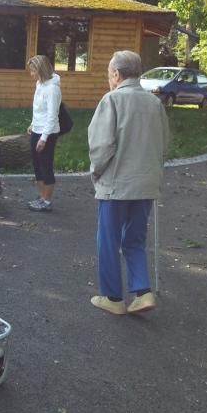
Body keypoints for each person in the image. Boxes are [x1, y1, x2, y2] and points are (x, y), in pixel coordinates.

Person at [87, 50, 170, 315]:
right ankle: (143, 292)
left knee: (108, 241)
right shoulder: (154, 103)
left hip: (116, 185)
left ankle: (113, 297)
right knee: (134, 239)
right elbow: (164, 144)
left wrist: (95, 173)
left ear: (116, 74)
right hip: (146, 183)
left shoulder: (112, 100)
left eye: (109, 74)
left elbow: (101, 147)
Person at [25, 55, 61, 212]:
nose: (31, 74)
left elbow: (52, 116)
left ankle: (47, 201)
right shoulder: (39, 84)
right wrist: (33, 124)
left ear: (41, 70)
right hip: (37, 130)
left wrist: (44, 138)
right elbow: (38, 109)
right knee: (37, 166)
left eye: (33, 70)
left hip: (48, 133)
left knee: (46, 166)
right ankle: (41, 197)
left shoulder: (52, 89)